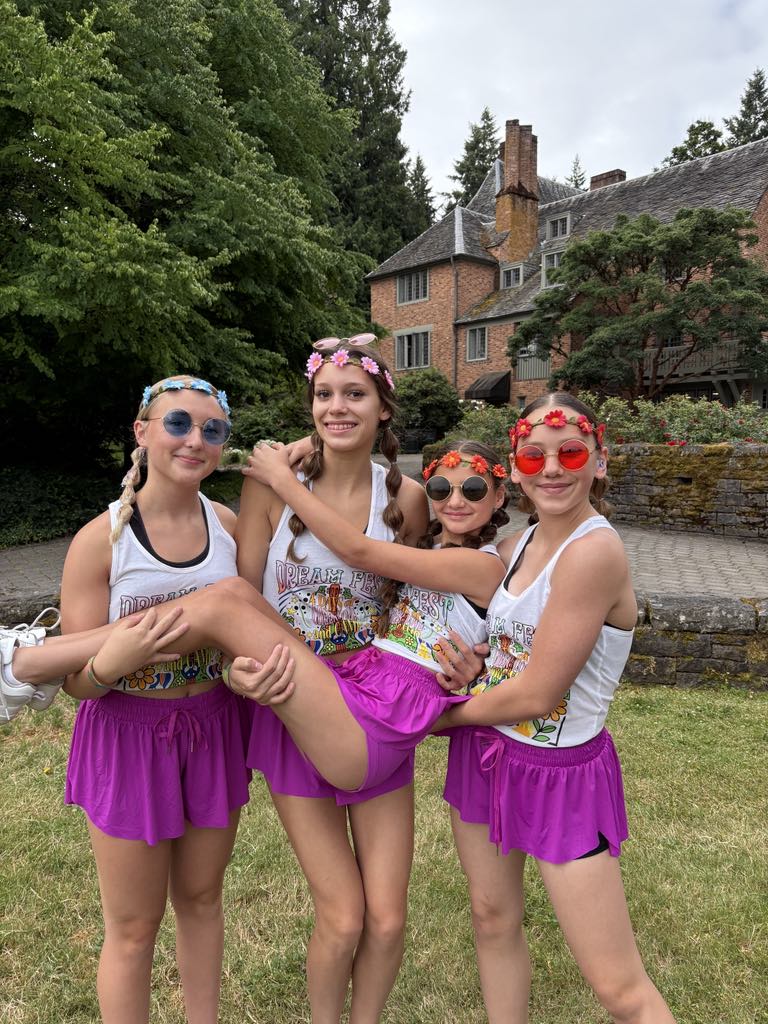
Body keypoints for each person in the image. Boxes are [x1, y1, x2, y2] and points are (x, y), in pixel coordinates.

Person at [229, 336, 492, 1024]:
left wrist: (470, 663)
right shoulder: (268, 485)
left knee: (388, 919)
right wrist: (239, 670)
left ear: (383, 408)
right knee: (343, 917)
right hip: (296, 699)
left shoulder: (408, 497)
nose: (336, 407)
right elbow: (243, 600)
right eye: (324, 394)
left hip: (377, 703)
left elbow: (434, 599)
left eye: (354, 393)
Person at [433, 393, 676, 1024]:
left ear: (599, 461)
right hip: (488, 754)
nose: (550, 469)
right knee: (492, 919)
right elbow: (508, 650)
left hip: (559, 772)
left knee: (618, 987)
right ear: (513, 468)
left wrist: (442, 717)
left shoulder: (594, 552)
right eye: (532, 456)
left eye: (570, 452)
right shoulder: (516, 544)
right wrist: (477, 667)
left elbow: (540, 695)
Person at [59, 375, 252, 1024]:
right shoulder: (102, 540)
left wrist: (241, 673)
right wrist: (109, 663)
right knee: (134, 926)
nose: (195, 439)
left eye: (211, 429)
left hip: (212, 729)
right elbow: (76, 681)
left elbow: (246, 631)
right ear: (141, 433)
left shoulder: (227, 527)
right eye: (177, 423)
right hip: (127, 736)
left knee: (201, 900)